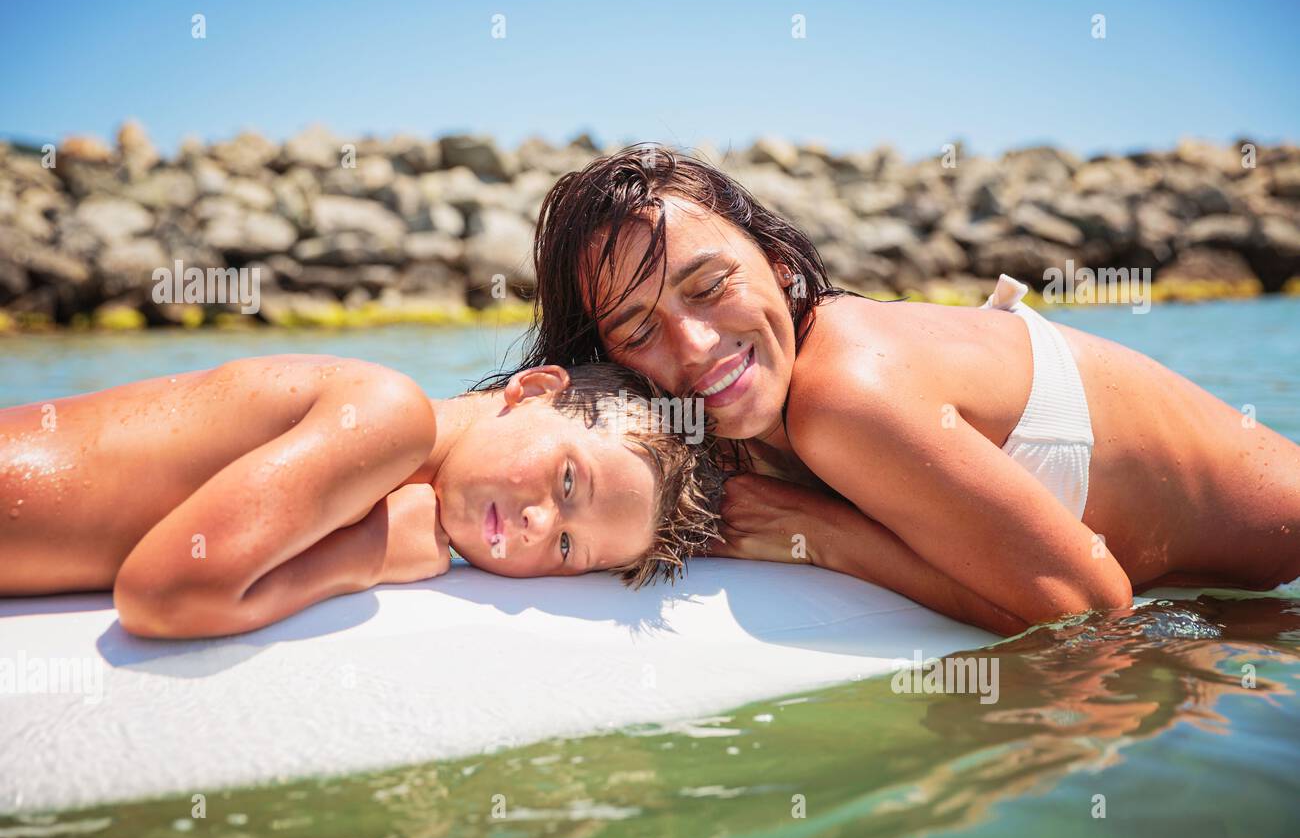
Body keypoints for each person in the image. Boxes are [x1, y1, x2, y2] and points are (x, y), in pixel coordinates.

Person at [507, 144, 1300, 635]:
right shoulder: (723, 415)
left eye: (710, 285)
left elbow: (1092, 608)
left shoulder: (846, 394)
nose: (696, 345)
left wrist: (825, 537)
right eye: (639, 330)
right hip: (1244, 599)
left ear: (781, 269)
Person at [0, 355, 720, 639]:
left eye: (568, 548)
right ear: (532, 389)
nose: (537, 524)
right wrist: (370, 554)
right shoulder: (386, 417)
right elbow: (162, 595)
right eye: (568, 481)